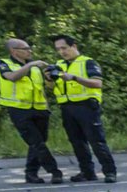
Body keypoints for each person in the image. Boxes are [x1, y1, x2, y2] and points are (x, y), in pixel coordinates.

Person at [50, 34, 117, 183]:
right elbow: (52, 87)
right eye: (58, 49)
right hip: (67, 107)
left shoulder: (88, 62)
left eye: (64, 48)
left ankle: (110, 172)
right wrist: (49, 78)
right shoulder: (58, 65)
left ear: (74, 46)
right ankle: (87, 172)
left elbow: (97, 83)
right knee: (77, 142)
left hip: (86, 106)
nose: (62, 52)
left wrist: (74, 78)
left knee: (96, 141)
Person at [0, 38, 64, 184]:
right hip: (19, 109)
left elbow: (46, 87)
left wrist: (50, 78)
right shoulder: (4, 63)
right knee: (36, 142)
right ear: (14, 51)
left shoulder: (34, 68)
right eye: (26, 49)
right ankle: (54, 171)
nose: (30, 51)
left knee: (39, 142)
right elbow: (12, 77)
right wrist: (32, 64)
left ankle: (31, 173)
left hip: (39, 108)